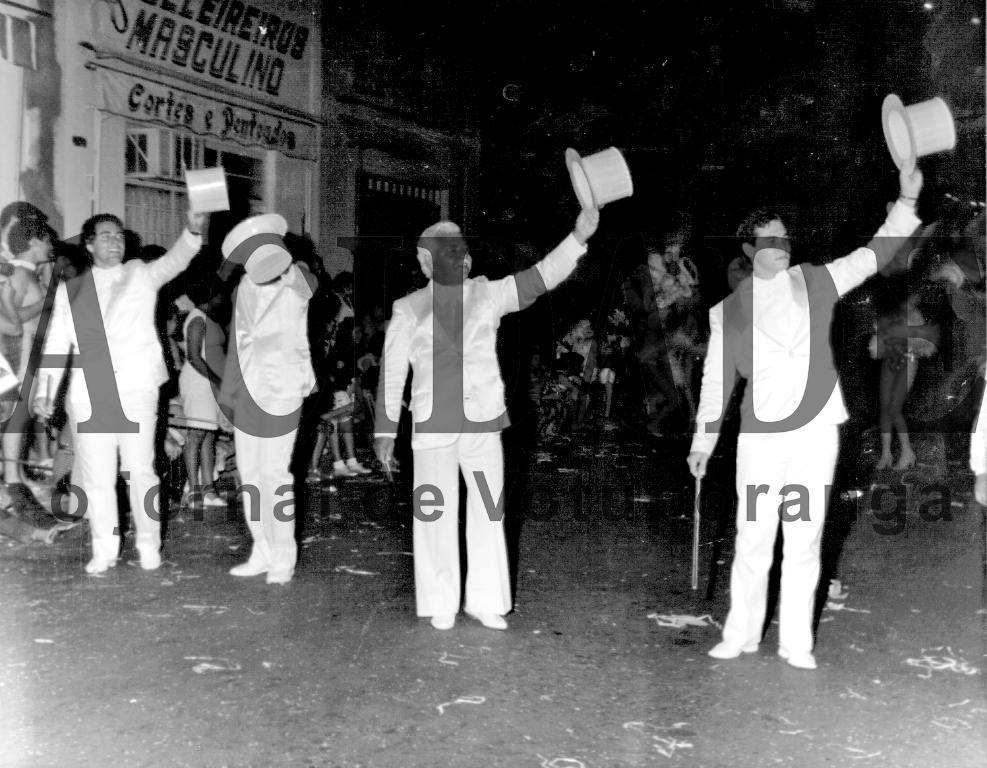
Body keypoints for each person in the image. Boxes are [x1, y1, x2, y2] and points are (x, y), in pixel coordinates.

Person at [687, 166, 924, 670]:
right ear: (750, 250)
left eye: (785, 236)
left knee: (803, 537)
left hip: (814, 434)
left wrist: (905, 200)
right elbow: (716, 383)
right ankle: (741, 633)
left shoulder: (816, 280)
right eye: (770, 238)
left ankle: (797, 644)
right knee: (752, 536)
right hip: (761, 439)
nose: (783, 244)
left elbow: (874, 254)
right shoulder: (726, 311)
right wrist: (703, 443)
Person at [374, 207, 600, 631]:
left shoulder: (487, 293)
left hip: (482, 418)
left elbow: (539, 278)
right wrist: (385, 431)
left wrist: (578, 236)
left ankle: (485, 599)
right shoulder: (408, 308)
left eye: (462, 251)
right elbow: (392, 374)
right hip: (433, 421)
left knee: (488, 510)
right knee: (434, 511)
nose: (458, 258)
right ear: (426, 262)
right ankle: (441, 599)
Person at [34, 208, 205, 573]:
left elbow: (175, 260)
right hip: (89, 392)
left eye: (120, 235)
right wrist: (45, 390)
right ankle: (104, 549)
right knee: (97, 478)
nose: (116, 241)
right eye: (107, 235)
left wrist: (192, 230)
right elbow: (55, 343)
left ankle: (148, 545)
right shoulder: (71, 290)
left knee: (140, 471)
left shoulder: (140, 274)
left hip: (136, 389)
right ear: (90, 244)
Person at [218, 215, 317, 585]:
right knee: (249, 474)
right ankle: (261, 548)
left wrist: (281, 261)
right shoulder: (244, 286)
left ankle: (282, 555)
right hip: (248, 390)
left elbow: (307, 286)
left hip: (282, 388)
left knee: (275, 473)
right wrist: (228, 398)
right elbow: (238, 344)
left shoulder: (297, 276)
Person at [1, 218, 54, 514]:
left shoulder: (30, 274)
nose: (50, 246)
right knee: (19, 415)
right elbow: (12, 319)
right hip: (22, 352)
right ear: (34, 241)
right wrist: (47, 302)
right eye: (47, 240)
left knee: (26, 415)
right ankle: (13, 477)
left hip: (38, 351)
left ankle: (16, 475)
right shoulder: (19, 274)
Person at [179, 281, 229, 508]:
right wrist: (217, 379)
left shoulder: (210, 319)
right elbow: (193, 356)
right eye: (220, 295)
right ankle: (193, 491)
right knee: (196, 435)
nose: (223, 300)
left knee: (209, 436)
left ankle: (209, 490)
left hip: (210, 382)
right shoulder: (197, 319)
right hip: (199, 382)